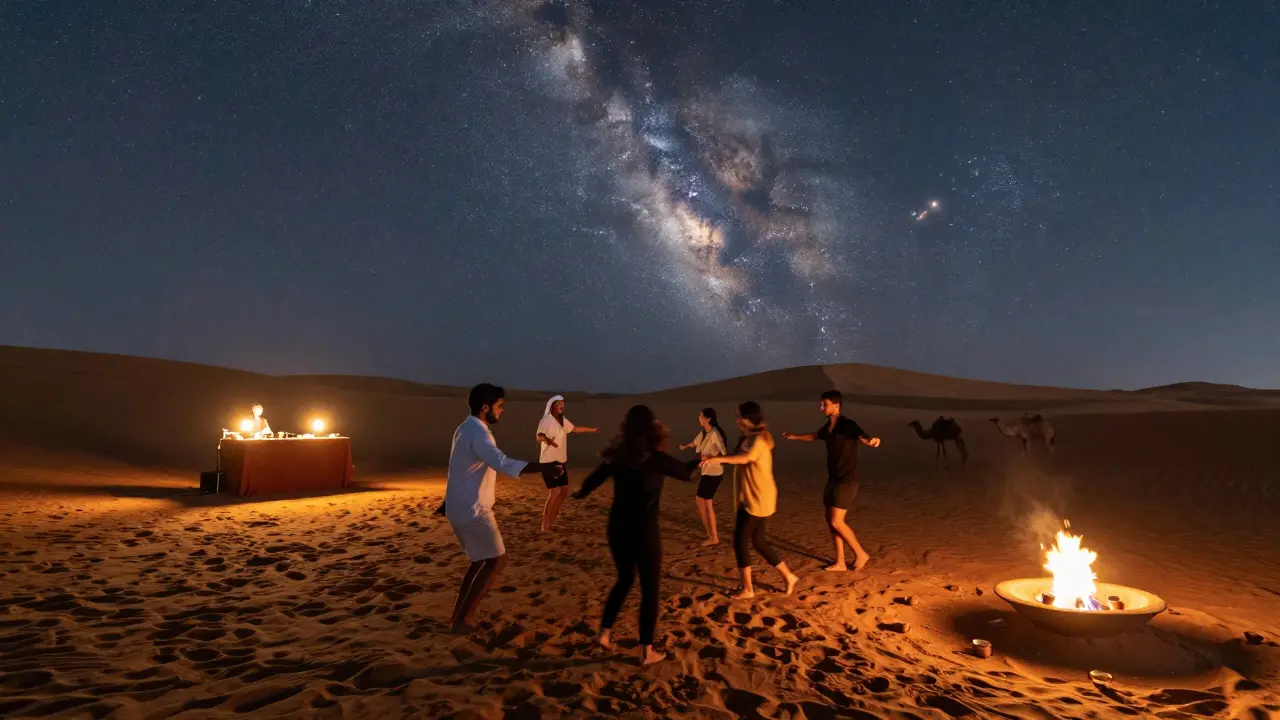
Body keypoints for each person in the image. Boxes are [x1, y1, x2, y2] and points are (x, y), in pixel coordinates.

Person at [571, 405, 692, 665]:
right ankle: (647, 651)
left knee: (625, 578)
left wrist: (581, 493)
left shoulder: (619, 457)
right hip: (644, 532)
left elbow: (593, 479)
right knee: (650, 590)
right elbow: (685, 473)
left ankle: (604, 633)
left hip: (618, 529)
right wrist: (702, 460)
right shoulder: (656, 459)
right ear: (652, 428)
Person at [444, 383, 565, 634]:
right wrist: (545, 467)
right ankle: (462, 621)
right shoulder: (478, 434)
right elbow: (501, 462)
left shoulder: (464, 428)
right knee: (497, 561)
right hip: (473, 509)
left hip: (459, 506)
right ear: (485, 407)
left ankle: (459, 616)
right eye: (499, 406)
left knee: (479, 562)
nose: (502, 411)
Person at [701, 401, 800, 600]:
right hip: (752, 496)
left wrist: (716, 460)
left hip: (757, 498)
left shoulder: (761, 439)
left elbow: (744, 459)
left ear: (749, 418)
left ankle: (748, 589)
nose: (737, 420)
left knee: (740, 543)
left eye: (741, 417)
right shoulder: (747, 438)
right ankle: (789, 576)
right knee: (758, 541)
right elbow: (737, 456)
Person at [781, 389, 881, 572]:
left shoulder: (847, 424)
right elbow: (814, 436)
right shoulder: (828, 427)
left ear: (836, 405)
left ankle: (861, 554)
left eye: (824, 404)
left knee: (837, 521)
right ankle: (840, 562)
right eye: (820, 404)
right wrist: (794, 436)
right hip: (833, 478)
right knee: (830, 520)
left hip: (847, 480)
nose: (821, 407)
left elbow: (862, 436)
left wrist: (871, 440)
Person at [536, 395, 598, 532]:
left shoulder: (562, 421)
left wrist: (590, 430)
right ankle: (544, 524)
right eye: (559, 404)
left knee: (563, 491)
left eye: (563, 405)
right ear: (553, 406)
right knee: (554, 491)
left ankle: (550, 523)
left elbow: (574, 429)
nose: (562, 407)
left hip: (560, 461)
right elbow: (538, 436)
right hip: (548, 462)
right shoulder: (546, 421)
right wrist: (546, 439)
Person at [678, 407, 728, 546]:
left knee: (706, 503)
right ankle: (710, 533)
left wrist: (708, 457)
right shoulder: (704, 433)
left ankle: (714, 537)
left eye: (701, 416)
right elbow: (695, 442)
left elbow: (724, 454)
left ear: (708, 419)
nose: (698, 418)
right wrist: (685, 446)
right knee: (702, 503)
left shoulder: (715, 434)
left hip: (714, 473)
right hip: (706, 472)